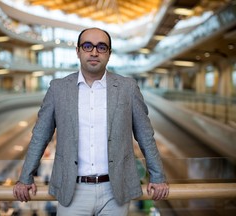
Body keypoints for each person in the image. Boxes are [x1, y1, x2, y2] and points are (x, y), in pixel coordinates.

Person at [13, 27, 169, 216]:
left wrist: (158, 177)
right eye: (87, 46)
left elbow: (146, 136)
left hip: (115, 191)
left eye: (101, 47)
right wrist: (25, 177)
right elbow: (40, 136)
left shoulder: (128, 88)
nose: (94, 52)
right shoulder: (58, 89)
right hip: (72, 191)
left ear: (109, 54)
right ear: (78, 51)